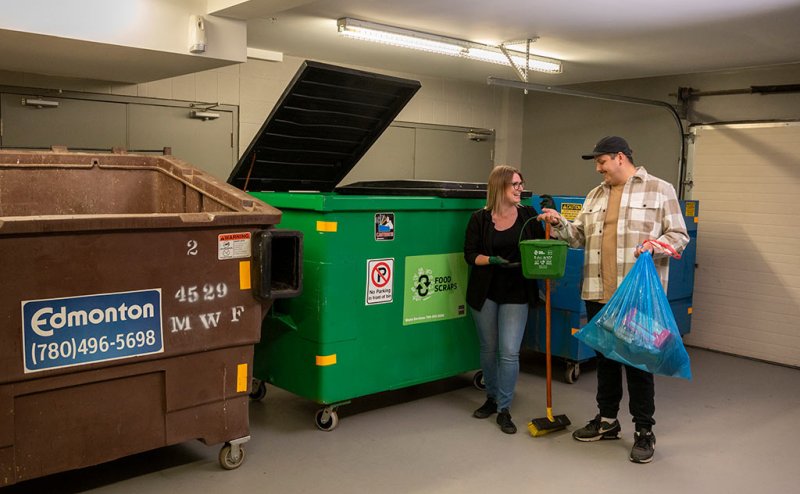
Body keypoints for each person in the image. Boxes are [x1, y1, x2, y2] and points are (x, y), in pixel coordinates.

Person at [538, 136, 689, 463]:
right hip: (597, 292)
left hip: (636, 297)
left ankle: (644, 430)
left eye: (602, 161)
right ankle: (607, 421)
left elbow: (679, 236)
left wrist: (654, 245)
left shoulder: (659, 190)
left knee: (638, 363)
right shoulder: (594, 195)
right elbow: (578, 236)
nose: (598, 168)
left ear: (620, 157)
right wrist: (558, 223)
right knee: (605, 359)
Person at [464, 165, 545, 434]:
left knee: (509, 351)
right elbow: (470, 254)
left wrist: (552, 224)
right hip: (485, 290)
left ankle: (504, 409)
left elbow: (543, 245)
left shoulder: (528, 216)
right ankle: (491, 397)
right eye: (515, 185)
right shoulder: (480, 219)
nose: (520, 189)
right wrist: (491, 260)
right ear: (499, 187)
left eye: (521, 184)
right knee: (488, 348)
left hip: (517, 290)